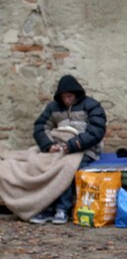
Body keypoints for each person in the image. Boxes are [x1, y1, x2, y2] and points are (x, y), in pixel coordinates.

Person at [29, 75, 107, 225]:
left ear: (76, 94)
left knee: (67, 167)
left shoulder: (91, 105)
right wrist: (48, 145)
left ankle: (62, 208)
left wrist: (73, 145)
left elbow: (96, 131)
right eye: (63, 97)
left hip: (86, 149)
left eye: (69, 96)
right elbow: (40, 127)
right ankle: (45, 207)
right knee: (41, 163)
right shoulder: (54, 107)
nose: (66, 100)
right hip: (60, 148)